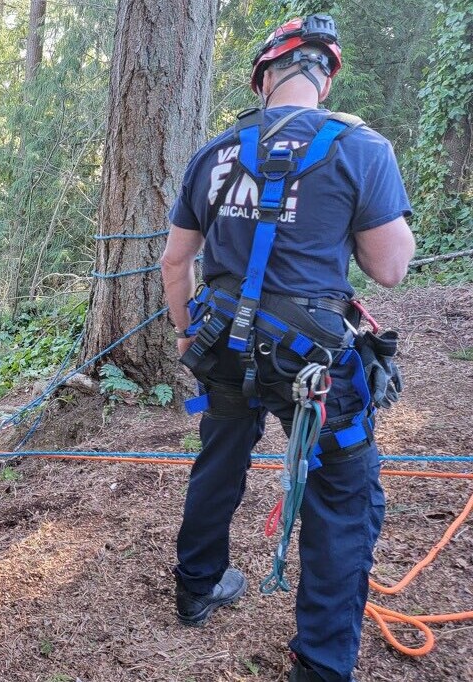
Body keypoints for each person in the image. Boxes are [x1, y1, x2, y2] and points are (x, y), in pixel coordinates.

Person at [160, 14, 414, 682]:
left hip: (221, 345)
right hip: (310, 363)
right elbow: (390, 269)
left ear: (264, 76)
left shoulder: (214, 153)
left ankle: (197, 586)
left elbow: (174, 263)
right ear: (324, 77)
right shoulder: (361, 148)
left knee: (220, 457)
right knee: (343, 496)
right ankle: (323, 666)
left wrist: (189, 333)